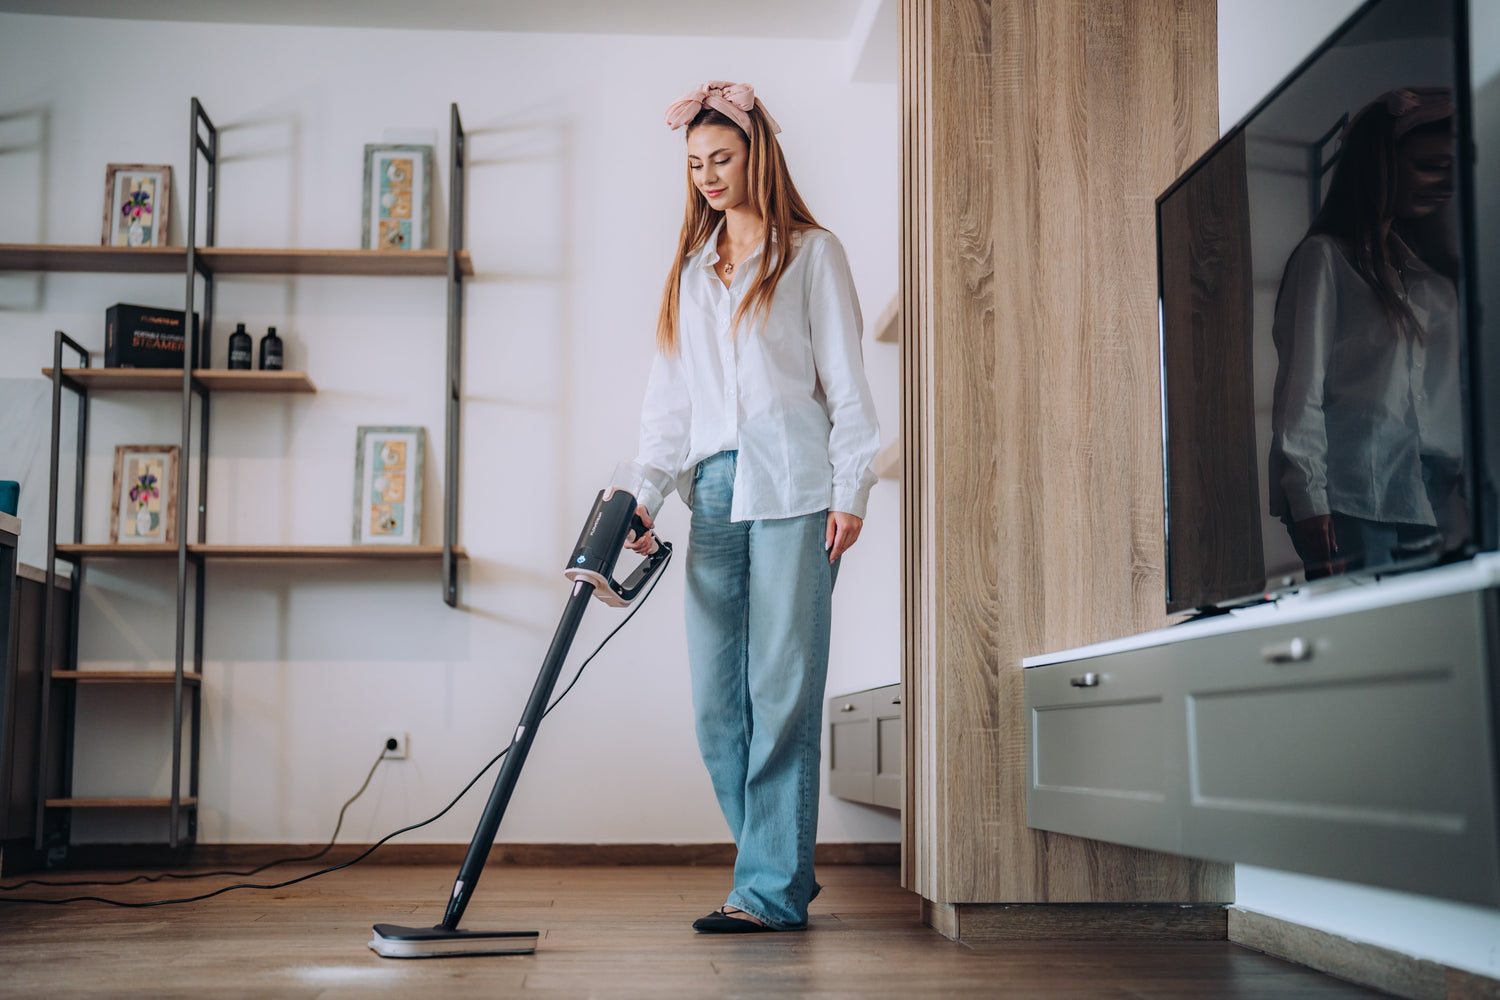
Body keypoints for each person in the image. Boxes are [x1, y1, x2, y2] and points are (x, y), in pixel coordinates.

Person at [625, 81, 880, 933]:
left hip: (798, 492)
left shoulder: (810, 254)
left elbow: (846, 388)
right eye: (695, 163)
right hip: (715, 492)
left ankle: (767, 891)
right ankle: (774, 874)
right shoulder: (690, 276)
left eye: (721, 158)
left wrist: (853, 491)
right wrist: (645, 495)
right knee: (716, 709)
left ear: (756, 155)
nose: (707, 175)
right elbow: (669, 408)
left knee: (782, 693)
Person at [1269, 86, 1463, 580]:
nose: (1445, 183)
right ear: (1383, 166)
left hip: (1424, 499)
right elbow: (1301, 389)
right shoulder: (1325, 259)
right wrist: (1307, 496)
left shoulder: (1431, 283)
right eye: (1429, 166)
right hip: (1350, 498)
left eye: (1452, 167)